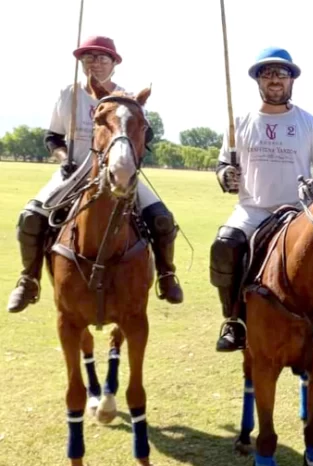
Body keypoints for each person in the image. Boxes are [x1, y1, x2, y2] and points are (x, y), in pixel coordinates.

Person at [211, 46, 313, 352]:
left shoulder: (309, 123)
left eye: (281, 73)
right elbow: (223, 166)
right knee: (224, 245)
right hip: (253, 209)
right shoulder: (240, 122)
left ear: (291, 80)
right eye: (268, 73)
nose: (275, 79)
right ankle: (234, 321)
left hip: (299, 212)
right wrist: (226, 176)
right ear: (258, 80)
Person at [6, 35, 183, 314]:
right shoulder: (68, 93)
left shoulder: (125, 98)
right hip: (74, 172)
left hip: (115, 173)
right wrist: (64, 160)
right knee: (30, 217)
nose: (95, 62)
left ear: (114, 63)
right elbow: (52, 137)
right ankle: (29, 280)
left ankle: (166, 274)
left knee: (161, 218)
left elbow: (142, 139)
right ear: (80, 62)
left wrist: (128, 162)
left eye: (102, 57)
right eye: (88, 57)